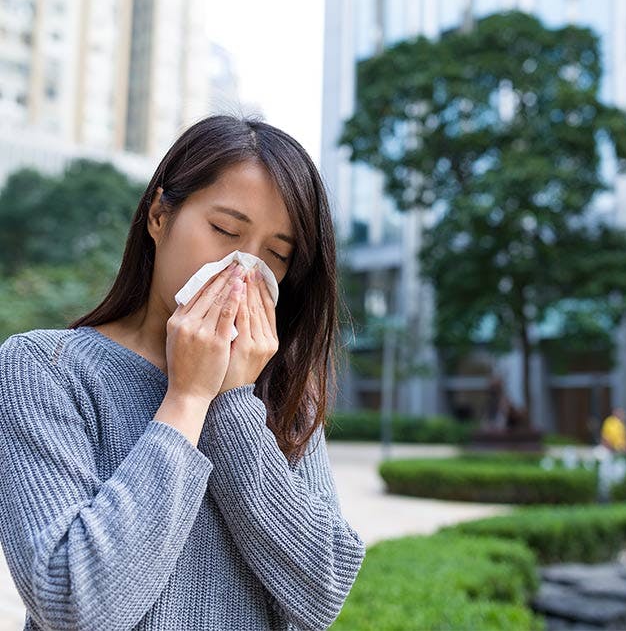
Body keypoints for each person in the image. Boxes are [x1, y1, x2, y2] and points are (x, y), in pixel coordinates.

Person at [0, 114, 366, 630]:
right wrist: (189, 397)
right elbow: (74, 605)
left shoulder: (282, 392)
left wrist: (233, 402)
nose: (244, 267)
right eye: (224, 230)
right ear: (158, 216)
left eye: (276, 254)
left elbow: (322, 594)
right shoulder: (44, 369)